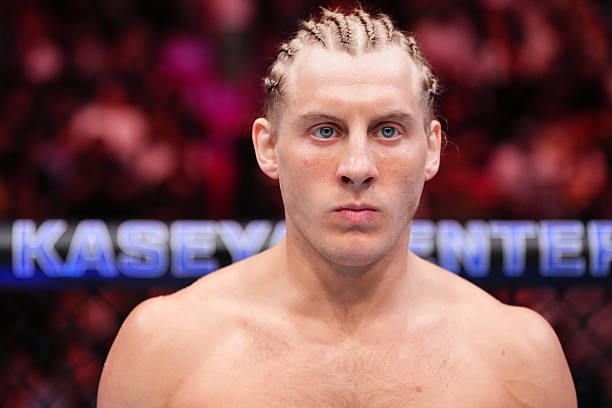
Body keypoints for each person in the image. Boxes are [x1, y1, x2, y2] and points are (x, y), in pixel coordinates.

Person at [98, 7, 577, 407]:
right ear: (267, 148)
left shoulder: (518, 356)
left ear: (432, 149)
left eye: (388, 130)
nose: (357, 167)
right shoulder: (162, 346)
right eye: (325, 130)